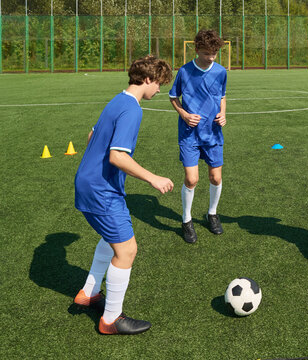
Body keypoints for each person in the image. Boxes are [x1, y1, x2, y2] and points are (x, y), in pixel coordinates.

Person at [73, 55, 174, 335]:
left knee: (112, 239)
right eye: (159, 83)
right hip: (101, 190)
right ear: (148, 79)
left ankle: (89, 293)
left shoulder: (117, 100)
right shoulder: (132, 109)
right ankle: (111, 320)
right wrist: (153, 177)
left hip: (89, 183)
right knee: (127, 250)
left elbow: (91, 136)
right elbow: (117, 156)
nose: (159, 89)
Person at [169, 29, 227, 244]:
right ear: (196, 50)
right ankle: (187, 220)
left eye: (214, 53)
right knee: (192, 179)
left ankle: (212, 214)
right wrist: (183, 114)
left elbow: (222, 96)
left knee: (216, 178)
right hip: (189, 134)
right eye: (206, 53)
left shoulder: (221, 72)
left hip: (213, 133)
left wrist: (223, 114)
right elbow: (173, 97)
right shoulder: (184, 72)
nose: (210, 57)